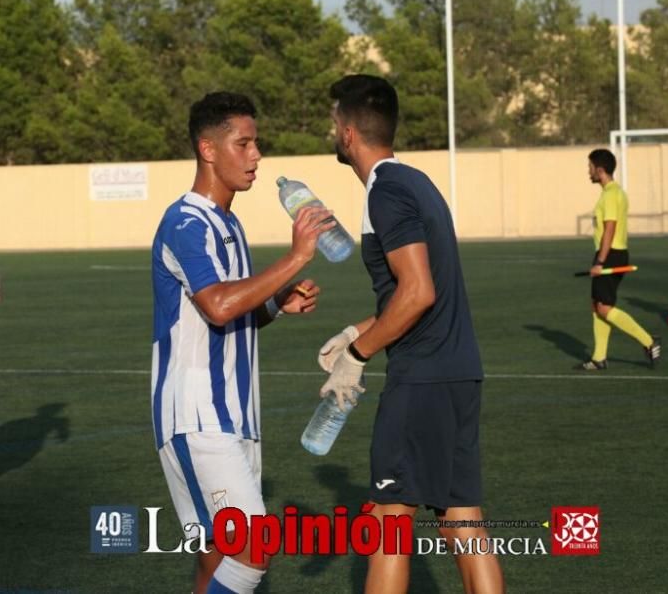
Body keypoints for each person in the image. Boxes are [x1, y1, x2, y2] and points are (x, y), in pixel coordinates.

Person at [317, 74, 504, 594]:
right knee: (461, 520)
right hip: (458, 373)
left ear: (349, 133)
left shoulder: (386, 190)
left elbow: (418, 292)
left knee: (386, 523)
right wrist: (359, 327)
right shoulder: (415, 181)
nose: (332, 130)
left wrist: (358, 353)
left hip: (421, 379)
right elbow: (419, 289)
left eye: (335, 121)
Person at [151, 92, 331, 594]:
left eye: (256, 143)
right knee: (253, 546)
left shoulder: (229, 223)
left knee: (217, 555)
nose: (256, 155)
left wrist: (276, 304)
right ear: (208, 149)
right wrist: (295, 259)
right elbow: (218, 305)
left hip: (234, 415)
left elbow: (233, 311)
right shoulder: (185, 223)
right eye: (243, 143)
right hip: (197, 415)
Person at [575, 149, 661, 370]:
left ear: (600, 170)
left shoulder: (611, 195)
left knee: (603, 307)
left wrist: (600, 262)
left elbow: (610, 229)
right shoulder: (614, 192)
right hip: (612, 253)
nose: (588, 172)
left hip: (610, 254)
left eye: (590, 167)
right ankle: (599, 357)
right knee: (598, 304)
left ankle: (649, 341)